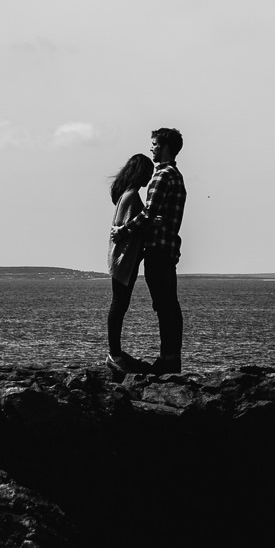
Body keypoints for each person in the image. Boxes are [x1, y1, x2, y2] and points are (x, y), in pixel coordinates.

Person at [135, 127, 187, 374]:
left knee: (164, 305)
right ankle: (171, 357)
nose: (152, 147)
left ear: (165, 146)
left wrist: (122, 230)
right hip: (169, 249)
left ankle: (167, 359)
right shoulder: (176, 176)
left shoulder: (162, 176)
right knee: (169, 305)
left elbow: (148, 213)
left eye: (154, 143)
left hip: (158, 249)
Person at [105, 152, 154, 378]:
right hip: (124, 261)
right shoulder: (132, 196)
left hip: (123, 260)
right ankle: (114, 354)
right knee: (119, 305)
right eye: (148, 172)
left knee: (119, 305)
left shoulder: (127, 194)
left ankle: (115, 353)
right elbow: (125, 229)